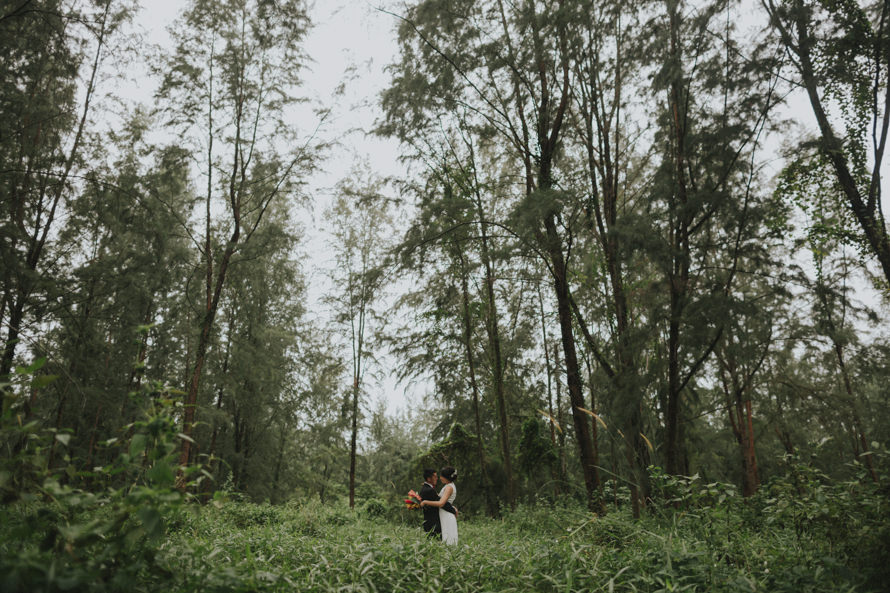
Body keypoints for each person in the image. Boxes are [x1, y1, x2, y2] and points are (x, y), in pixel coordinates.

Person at [420, 466, 458, 545]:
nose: (439, 478)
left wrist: (425, 502)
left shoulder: (449, 487)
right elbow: (439, 497)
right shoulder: (447, 486)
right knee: (445, 538)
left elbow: (441, 503)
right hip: (443, 514)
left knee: (448, 540)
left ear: (446, 477)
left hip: (446, 514)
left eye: (441, 476)